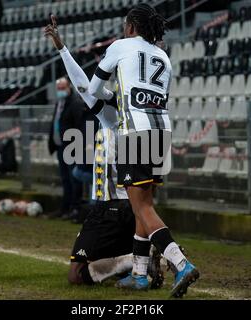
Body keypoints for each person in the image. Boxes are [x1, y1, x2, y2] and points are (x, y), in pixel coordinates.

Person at [88, 3, 199, 297]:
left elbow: (93, 89)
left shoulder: (120, 46)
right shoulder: (163, 55)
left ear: (130, 26)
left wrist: (114, 97)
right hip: (161, 133)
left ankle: (180, 263)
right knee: (144, 204)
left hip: (134, 132)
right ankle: (139, 275)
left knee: (142, 206)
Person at [44, 16, 164, 288]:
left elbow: (84, 85)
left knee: (76, 275)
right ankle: (135, 262)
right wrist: (62, 48)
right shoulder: (142, 118)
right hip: (129, 209)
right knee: (105, 265)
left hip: (110, 207)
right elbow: (83, 85)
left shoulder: (113, 118)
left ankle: (133, 261)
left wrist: (62, 49)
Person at [48, 78, 86, 218]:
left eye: (62, 87)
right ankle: (65, 207)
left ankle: (75, 208)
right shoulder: (60, 103)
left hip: (71, 146)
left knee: (73, 178)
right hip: (60, 146)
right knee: (65, 178)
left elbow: (79, 124)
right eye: (58, 88)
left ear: (69, 86)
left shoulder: (75, 103)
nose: (60, 90)